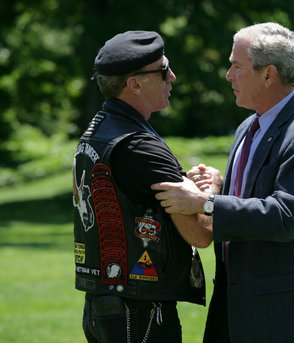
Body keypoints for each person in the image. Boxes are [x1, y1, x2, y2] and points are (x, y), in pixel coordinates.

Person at [152, 23, 294, 342]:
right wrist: (219, 185)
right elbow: (257, 192)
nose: (228, 75)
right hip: (234, 307)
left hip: (283, 318)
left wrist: (206, 204)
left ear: (268, 74)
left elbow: (283, 217)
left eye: (236, 66)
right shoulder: (247, 128)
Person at [72, 30, 211, 343]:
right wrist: (209, 193)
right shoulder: (140, 146)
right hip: (139, 309)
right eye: (163, 71)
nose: (172, 77)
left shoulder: (99, 130)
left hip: (103, 304)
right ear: (134, 83)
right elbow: (199, 234)